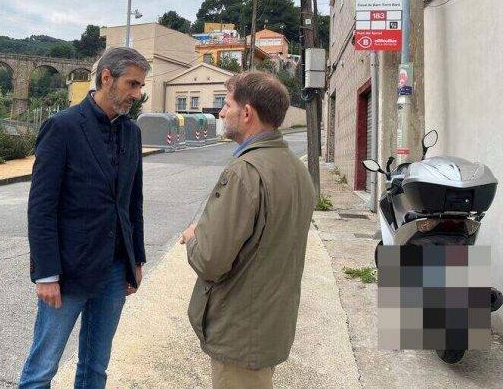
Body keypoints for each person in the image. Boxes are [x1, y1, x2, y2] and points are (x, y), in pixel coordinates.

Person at [19, 46, 151, 389]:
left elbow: (132, 201)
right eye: (132, 84)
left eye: (140, 86)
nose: (137, 94)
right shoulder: (62, 127)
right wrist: (46, 273)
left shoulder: (132, 133)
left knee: (95, 368)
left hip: (114, 270)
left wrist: (135, 258)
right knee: (41, 371)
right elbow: (42, 207)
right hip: (68, 271)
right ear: (106, 77)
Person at [180, 71, 315, 389]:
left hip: (241, 332)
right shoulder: (296, 169)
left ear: (247, 112)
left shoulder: (245, 172)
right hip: (269, 326)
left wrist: (193, 238)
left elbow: (211, 260)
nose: (221, 113)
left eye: (226, 105)